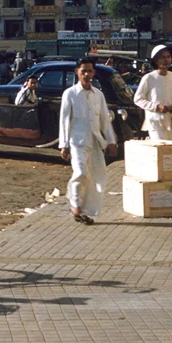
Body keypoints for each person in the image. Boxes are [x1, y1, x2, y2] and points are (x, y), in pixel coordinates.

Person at [59, 58, 118, 225]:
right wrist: (64, 145)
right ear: (77, 72)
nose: (86, 74)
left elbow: (105, 120)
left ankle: (84, 210)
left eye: (89, 71)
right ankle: (75, 205)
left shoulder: (98, 95)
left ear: (94, 73)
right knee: (81, 173)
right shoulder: (69, 94)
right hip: (77, 142)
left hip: (95, 142)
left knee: (95, 177)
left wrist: (111, 141)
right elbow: (64, 120)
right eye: (83, 71)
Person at [134, 45, 172, 140]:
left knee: (168, 151)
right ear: (156, 61)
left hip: (171, 121)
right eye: (162, 57)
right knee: (159, 149)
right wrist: (156, 107)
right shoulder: (148, 78)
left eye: (168, 57)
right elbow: (138, 99)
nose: (166, 60)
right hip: (155, 122)